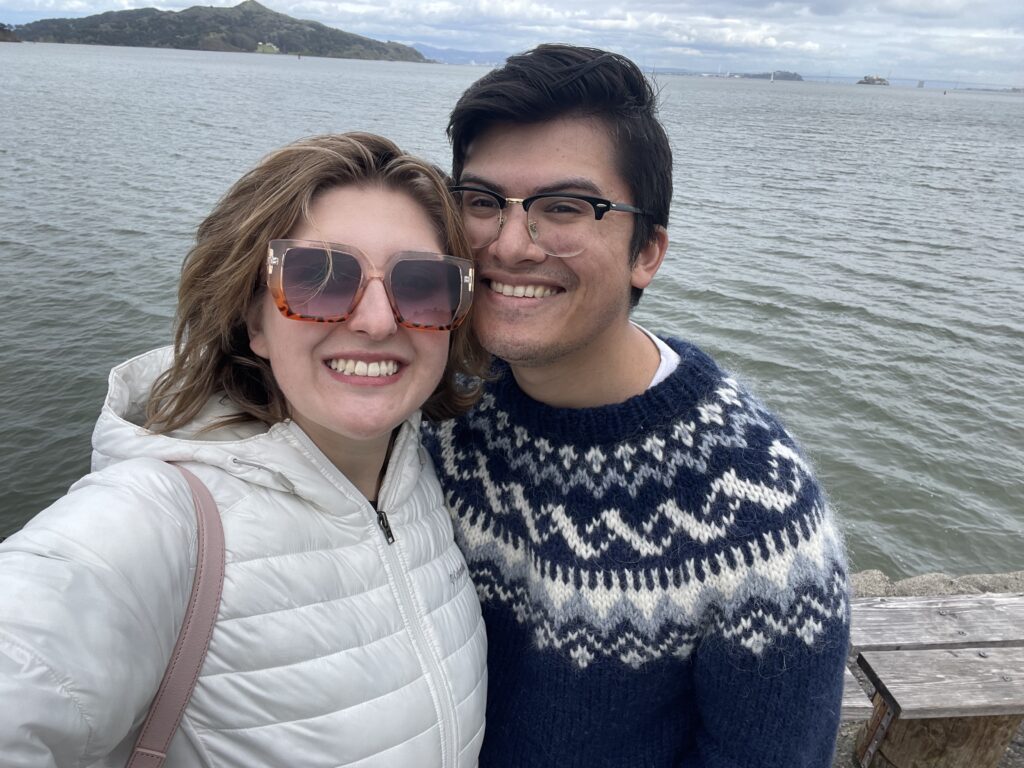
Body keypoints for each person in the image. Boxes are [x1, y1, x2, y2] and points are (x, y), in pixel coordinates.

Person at [0, 133, 489, 767]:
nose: (377, 320)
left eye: (422, 283)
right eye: (319, 277)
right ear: (255, 321)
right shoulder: (155, 519)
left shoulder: (423, 474)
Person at [423, 45, 851, 767]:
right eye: (482, 201)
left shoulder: (756, 516)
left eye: (565, 208)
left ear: (647, 251)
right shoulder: (436, 401)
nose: (508, 243)